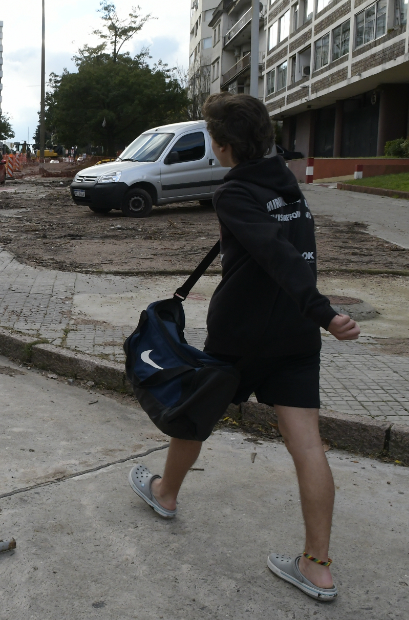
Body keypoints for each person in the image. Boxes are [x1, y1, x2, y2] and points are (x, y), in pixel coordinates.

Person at [127, 92, 360, 602]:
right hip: (294, 336)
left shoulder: (232, 193)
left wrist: (323, 311)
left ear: (223, 146)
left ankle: (165, 494)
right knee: (307, 444)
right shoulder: (288, 183)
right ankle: (317, 567)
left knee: (197, 413)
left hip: (242, 333)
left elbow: (276, 254)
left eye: (213, 137)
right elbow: (289, 248)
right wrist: (316, 315)